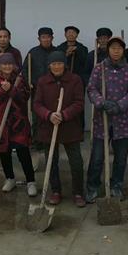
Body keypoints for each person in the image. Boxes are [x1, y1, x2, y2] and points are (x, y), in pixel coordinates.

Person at [86, 37, 128, 201]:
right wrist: (102, 103)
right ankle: (92, 187)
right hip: (102, 120)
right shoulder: (99, 68)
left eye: (119, 48)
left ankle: (116, 185)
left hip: (123, 121)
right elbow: (91, 88)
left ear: (123, 50)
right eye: (113, 48)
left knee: (121, 158)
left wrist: (119, 105)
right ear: (108, 50)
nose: (116, 51)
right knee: (97, 157)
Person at [34, 52, 87, 207]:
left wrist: (64, 114)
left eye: (59, 63)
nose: (56, 67)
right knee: (51, 160)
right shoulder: (43, 81)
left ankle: (78, 192)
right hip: (49, 127)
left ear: (65, 65)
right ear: (49, 66)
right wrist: (48, 115)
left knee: (76, 162)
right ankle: (55, 191)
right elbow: (37, 104)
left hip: (70, 127)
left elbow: (79, 102)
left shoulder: (75, 80)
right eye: (53, 64)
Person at [0, 53, 37, 196]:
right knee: (4, 152)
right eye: (4, 64)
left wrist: (11, 89)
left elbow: (24, 98)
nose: (7, 66)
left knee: (23, 152)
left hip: (18, 123)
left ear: (14, 65)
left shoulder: (20, 81)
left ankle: (31, 181)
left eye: (10, 64)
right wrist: (2, 91)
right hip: (0, 123)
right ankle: (10, 178)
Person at [26, 27, 57, 149]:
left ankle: (51, 141)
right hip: (37, 90)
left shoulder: (57, 52)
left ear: (52, 38)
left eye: (48, 37)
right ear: (39, 39)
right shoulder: (32, 52)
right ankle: (37, 140)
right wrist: (28, 81)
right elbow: (25, 70)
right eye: (43, 37)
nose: (46, 39)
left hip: (54, 90)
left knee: (52, 115)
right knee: (37, 117)